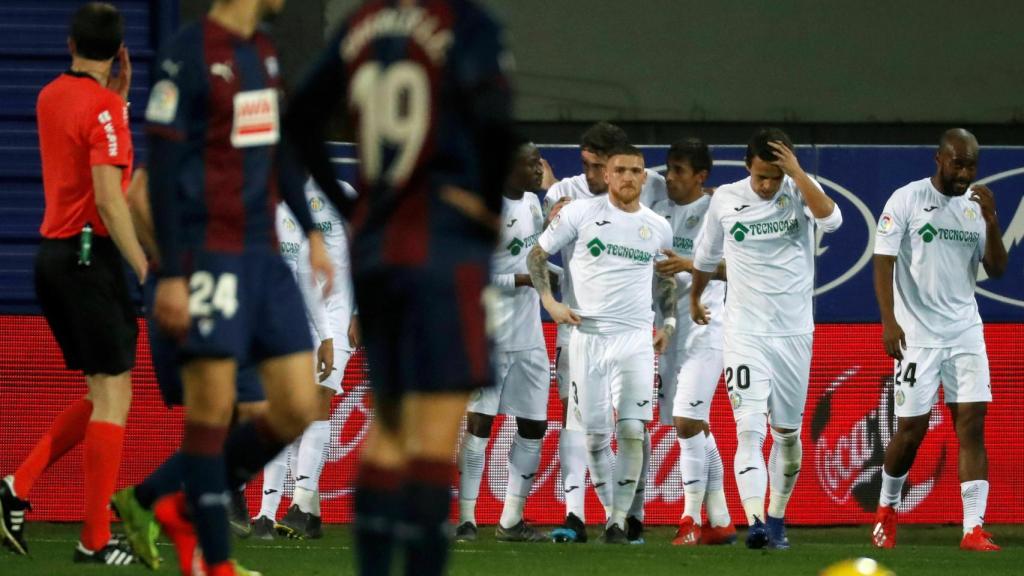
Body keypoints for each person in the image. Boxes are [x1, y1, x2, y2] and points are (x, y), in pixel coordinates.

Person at [285, 1, 518, 574]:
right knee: (434, 439)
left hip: (377, 247)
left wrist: (351, 210)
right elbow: (496, 124)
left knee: (389, 432)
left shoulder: (360, 25)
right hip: (443, 245)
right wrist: (485, 211)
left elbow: (295, 124)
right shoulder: (467, 23)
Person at [140, 0, 335, 574]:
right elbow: (162, 167)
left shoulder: (265, 54)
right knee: (212, 411)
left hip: (264, 258)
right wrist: (173, 272)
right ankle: (214, 560)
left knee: (299, 403)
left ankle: (159, 497)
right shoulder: (187, 51)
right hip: (208, 255)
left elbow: (280, 155)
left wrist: (311, 230)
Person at [0, 3, 145, 565]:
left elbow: (81, 141)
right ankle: (94, 538)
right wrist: (143, 265)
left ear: (68, 43)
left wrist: (118, 100)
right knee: (115, 394)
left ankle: (17, 484)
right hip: (91, 258)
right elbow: (109, 197)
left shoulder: (48, 96)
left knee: (103, 392)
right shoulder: (106, 108)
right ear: (120, 50)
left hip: (53, 258)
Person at [691, 128, 843, 549]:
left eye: (774, 177)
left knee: (788, 437)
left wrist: (796, 173)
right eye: (761, 176)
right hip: (745, 333)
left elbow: (833, 220)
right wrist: (693, 298)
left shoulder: (799, 191)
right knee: (748, 430)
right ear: (747, 167)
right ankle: (756, 520)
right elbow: (705, 257)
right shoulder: (725, 198)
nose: (767, 185)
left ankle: (776, 517)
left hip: (794, 334)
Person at [528, 144, 675, 544]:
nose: (629, 177)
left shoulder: (657, 226)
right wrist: (550, 303)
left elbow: (663, 277)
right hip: (587, 337)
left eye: (636, 171)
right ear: (607, 176)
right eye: (621, 170)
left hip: (635, 340)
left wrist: (671, 320)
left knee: (631, 429)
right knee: (594, 433)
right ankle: (608, 509)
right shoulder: (579, 213)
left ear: (645, 178)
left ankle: (617, 521)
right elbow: (537, 255)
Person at [870, 129, 1006, 552]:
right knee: (912, 430)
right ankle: (886, 511)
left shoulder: (974, 208)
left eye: (971, 165)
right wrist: (890, 321)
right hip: (918, 338)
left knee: (972, 426)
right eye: (958, 163)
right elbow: (883, 259)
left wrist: (991, 220)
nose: (965, 172)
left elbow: (997, 268)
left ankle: (972, 528)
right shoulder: (907, 199)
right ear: (939, 158)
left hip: (965, 330)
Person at [455, 143, 551, 543]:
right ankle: (466, 519)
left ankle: (511, 519)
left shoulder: (532, 203)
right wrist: (522, 281)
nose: (539, 168)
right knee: (480, 425)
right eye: (531, 162)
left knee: (535, 425)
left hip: (529, 336)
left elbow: (534, 255)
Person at [254, 179, 359, 541]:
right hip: (298, 317)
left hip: (337, 312)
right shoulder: (281, 202)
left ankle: (298, 504)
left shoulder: (340, 191)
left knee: (318, 403)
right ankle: (286, 514)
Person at [650, 138, 736, 546]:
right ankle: (720, 520)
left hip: (710, 328)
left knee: (686, 422)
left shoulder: (718, 209)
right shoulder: (658, 210)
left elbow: (739, 266)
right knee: (693, 424)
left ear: (701, 177)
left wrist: (691, 264)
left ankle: (689, 521)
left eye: (680, 171)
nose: (670, 178)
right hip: (669, 333)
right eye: (668, 169)